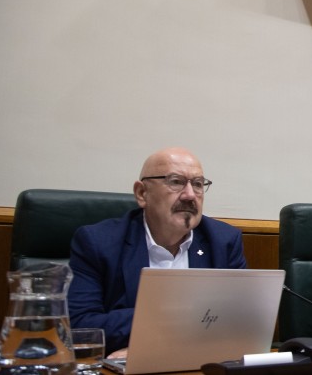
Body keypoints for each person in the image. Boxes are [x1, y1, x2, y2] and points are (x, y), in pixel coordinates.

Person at [68, 147, 247, 355]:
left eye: (198, 184)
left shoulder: (223, 241)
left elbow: (239, 321)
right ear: (142, 193)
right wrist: (176, 319)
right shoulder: (98, 242)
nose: (190, 195)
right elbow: (79, 327)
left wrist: (153, 340)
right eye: (176, 182)